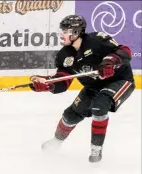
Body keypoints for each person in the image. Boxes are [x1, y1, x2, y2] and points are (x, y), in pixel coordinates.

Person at [29, 15, 135, 163]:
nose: (62, 34)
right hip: (93, 87)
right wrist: (48, 85)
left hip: (119, 81)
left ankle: (96, 151)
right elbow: (63, 82)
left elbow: (125, 51)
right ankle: (56, 141)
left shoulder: (96, 40)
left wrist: (109, 62)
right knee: (70, 114)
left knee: (100, 105)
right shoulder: (64, 55)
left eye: (65, 31)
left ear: (76, 32)